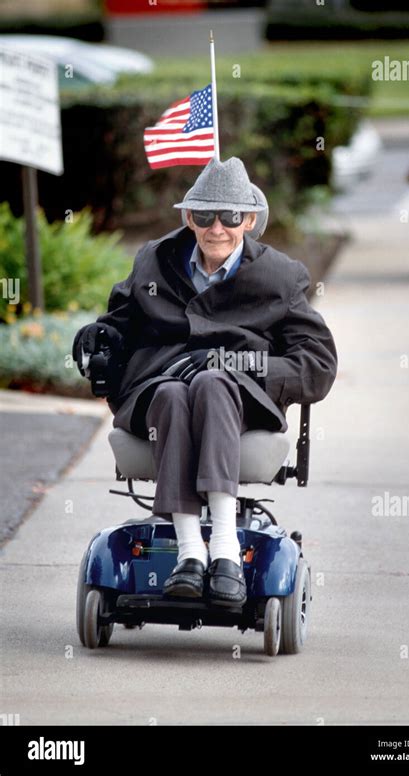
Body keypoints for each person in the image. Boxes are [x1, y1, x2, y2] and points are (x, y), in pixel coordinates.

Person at [72, 157, 337, 608]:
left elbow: (317, 364)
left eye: (231, 216)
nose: (218, 227)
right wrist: (100, 340)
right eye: (205, 215)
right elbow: (118, 325)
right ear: (188, 218)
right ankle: (191, 554)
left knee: (213, 383)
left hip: (239, 398)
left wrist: (235, 364)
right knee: (176, 393)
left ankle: (226, 550)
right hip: (160, 390)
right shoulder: (153, 261)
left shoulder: (279, 276)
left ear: (249, 220)